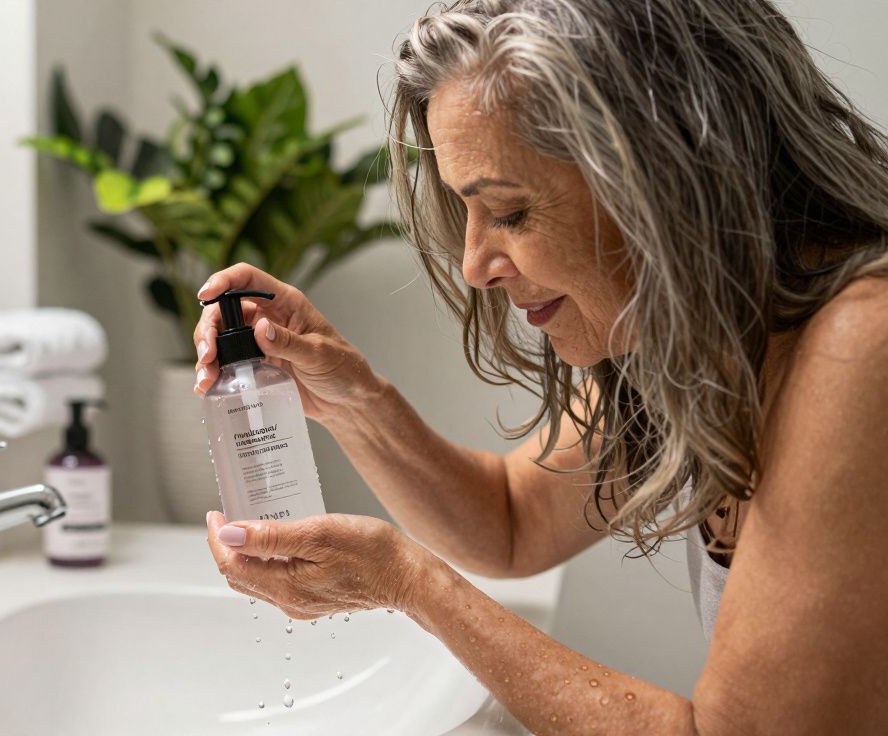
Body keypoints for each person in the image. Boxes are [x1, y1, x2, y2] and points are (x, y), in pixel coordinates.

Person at [194, 1, 888, 732]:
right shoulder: (699, 339)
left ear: (671, 175)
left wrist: (411, 583)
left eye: (512, 214)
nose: (474, 266)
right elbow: (513, 520)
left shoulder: (860, 345)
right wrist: (346, 395)